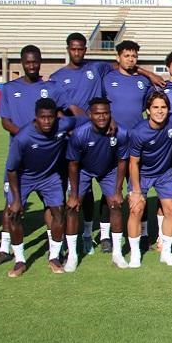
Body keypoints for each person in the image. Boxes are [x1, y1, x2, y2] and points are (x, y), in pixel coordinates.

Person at [0, 45, 66, 266]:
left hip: (48, 160)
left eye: (35, 61)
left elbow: (62, 113)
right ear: (22, 62)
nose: (32, 65)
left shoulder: (51, 87)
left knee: (52, 207)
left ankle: (54, 249)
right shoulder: (9, 88)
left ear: (40, 62)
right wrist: (27, 137)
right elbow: (5, 121)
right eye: (28, 61)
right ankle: (5, 249)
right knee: (12, 205)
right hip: (20, 159)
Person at [51, 33, 113, 254]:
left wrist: (148, 73)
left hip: (102, 140)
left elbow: (122, 64)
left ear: (86, 49)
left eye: (81, 49)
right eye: (73, 49)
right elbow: (57, 110)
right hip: (75, 142)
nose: (77, 52)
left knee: (108, 189)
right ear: (68, 49)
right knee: (80, 192)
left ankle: (104, 236)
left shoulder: (96, 68)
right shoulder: (57, 77)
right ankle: (84, 235)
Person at [4, 99, 78, 277]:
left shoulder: (63, 124)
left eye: (50, 117)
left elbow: (82, 119)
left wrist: (111, 121)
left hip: (49, 177)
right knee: (13, 214)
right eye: (43, 118)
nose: (47, 121)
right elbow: (12, 169)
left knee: (59, 213)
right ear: (35, 117)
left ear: (56, 117)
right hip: (24, 177)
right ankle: (20, 261)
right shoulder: (23, 137)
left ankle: (54, 257)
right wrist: (16, 199)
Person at [104, 40, 158, 249]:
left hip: (136, 142)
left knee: (139, 189)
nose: (130, 59)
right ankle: (106, 236)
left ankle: (143, 234)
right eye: (126, 55)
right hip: (112, 141)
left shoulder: (143, 82)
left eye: (133, 56)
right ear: (118, 57)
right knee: (110, 188)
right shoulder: (107, 78)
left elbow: (150, 107)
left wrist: (147, 74)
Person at [65, 98, 130, 269]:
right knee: (72, 207)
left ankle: (117, 253)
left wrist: (118, 190)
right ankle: (72, 255)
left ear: (110, 114)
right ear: (89, 114)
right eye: (97, 113)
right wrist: (73, 195)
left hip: (108, 169)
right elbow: (73, 164)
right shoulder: (80, 134)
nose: (102, 117)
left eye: (106, 113)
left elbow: (122, 161)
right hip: (83, 170)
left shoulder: (120, 132)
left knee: (115, 205)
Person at [126, 91, 172, 268]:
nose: (159, 111)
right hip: (142, 174)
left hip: (164, 173)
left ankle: (166, 252)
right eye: (155, 107)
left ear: (168, 109)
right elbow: (133, 163)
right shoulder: (138, 132)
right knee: (136, 209)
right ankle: (135, 254)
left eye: (163, 107)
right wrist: (135, 191)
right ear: (148, 110)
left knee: (170, 210)